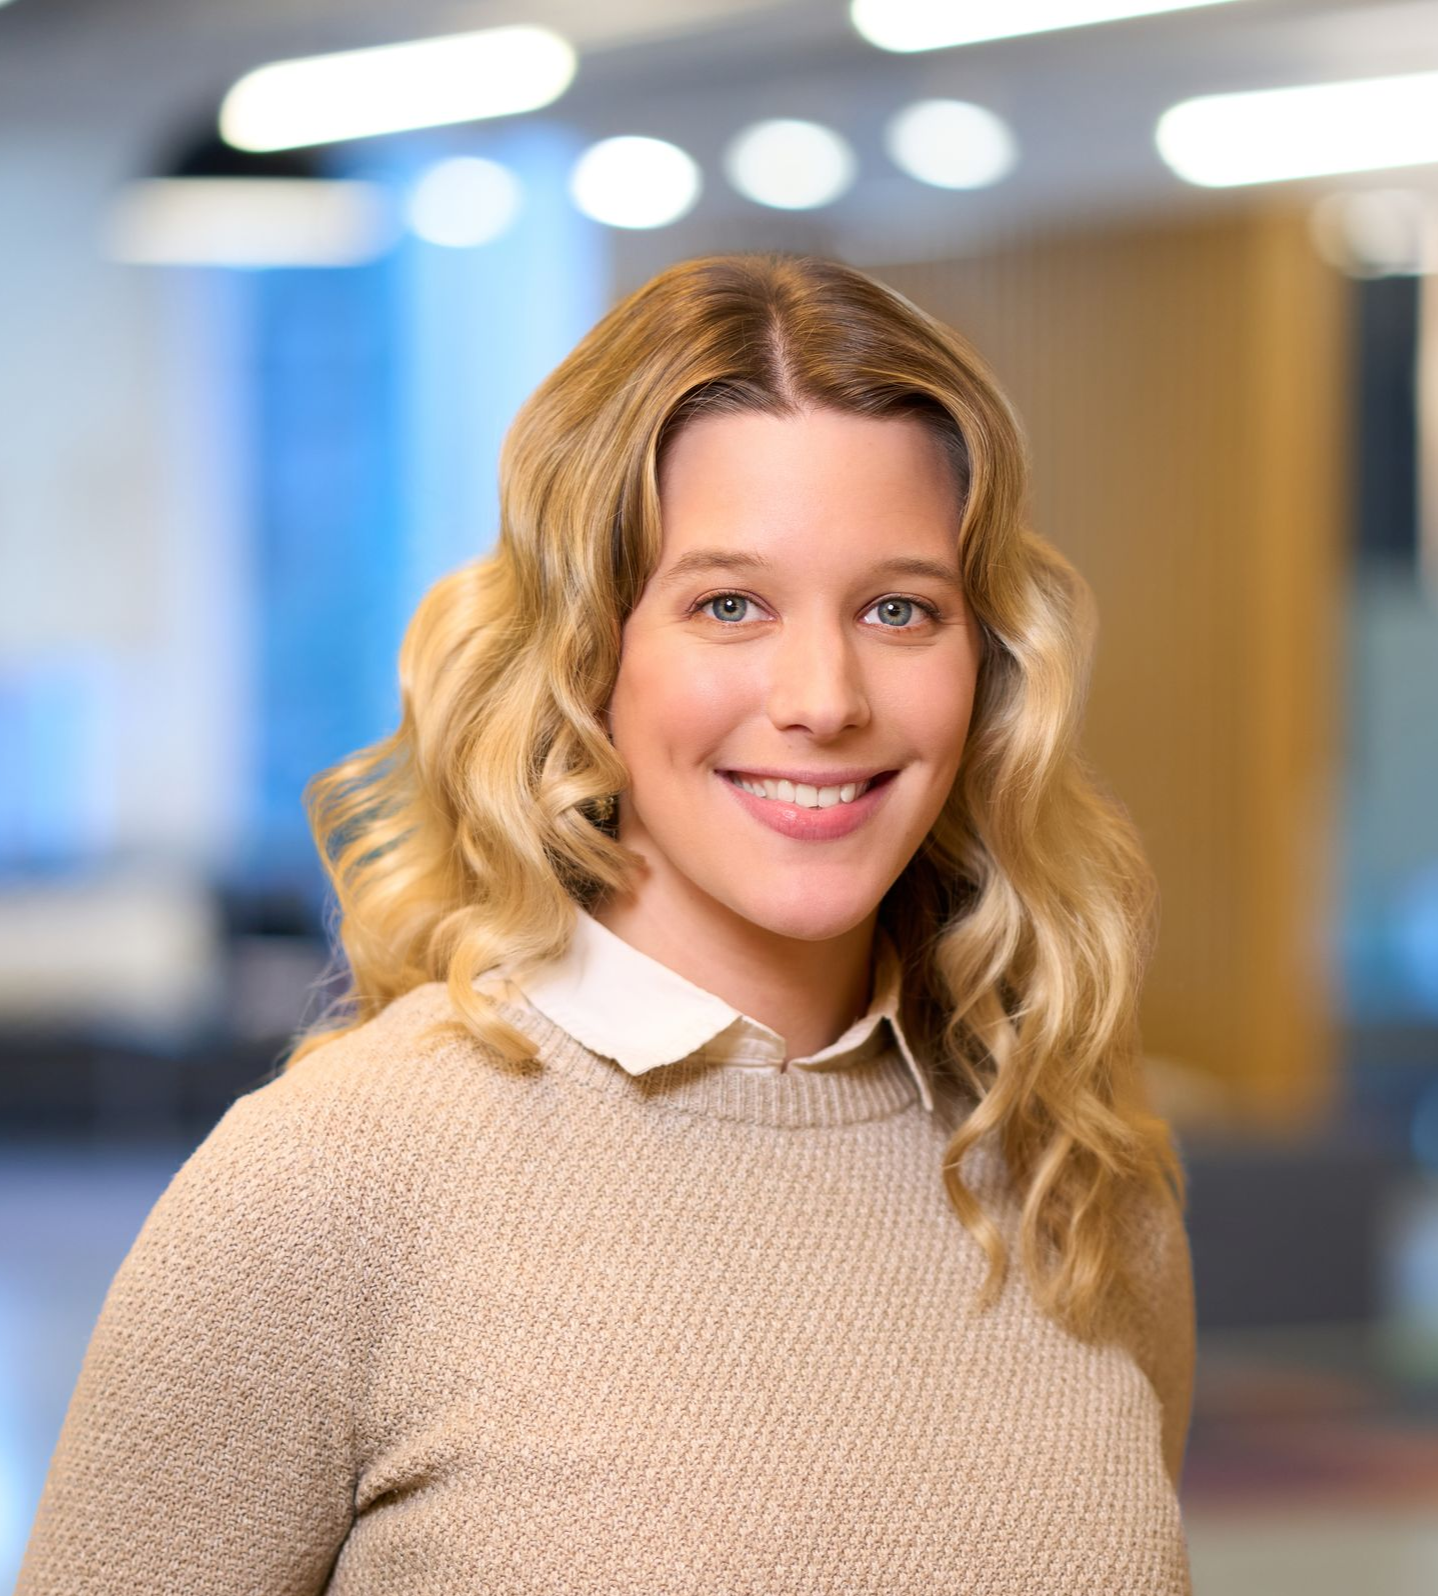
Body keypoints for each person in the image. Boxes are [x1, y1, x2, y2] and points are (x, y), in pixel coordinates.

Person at [17, 251, 1196, 1594]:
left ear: (979, 666)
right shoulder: (326, 1187)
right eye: (728, 605)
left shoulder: (1073, 1175)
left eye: (897, 608)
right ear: (588, 656)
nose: (824, 696)